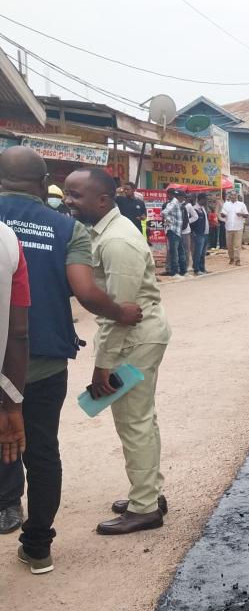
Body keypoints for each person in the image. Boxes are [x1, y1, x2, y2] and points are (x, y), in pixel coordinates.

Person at [0, 146, 143, 570]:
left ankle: (8, 505)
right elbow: (84, 291)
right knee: (42, 449)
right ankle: (39, 545)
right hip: (42, 359)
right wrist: (120, 312)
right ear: (46, 184)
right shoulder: (66, 228)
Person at [64, 168, 171, 536]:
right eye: (68, 193)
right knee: (142, 418)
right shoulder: (106, 233)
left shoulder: (116, 242)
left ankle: (144, 508)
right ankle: (148, 494)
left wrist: (102, 368)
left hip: (135, 339)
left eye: (76, 195)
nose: (68, 200)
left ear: (103, 201)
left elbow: (119, 314)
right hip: (138, 335)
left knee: (134, 422)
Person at [0, 220, 30, 531]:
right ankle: (7, 501)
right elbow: (18, 331)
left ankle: (8, 500)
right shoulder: (7, 239)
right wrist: (11, 405)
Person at [162, 189, 187, 278]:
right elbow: (164, 212)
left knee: (181, 252)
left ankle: (183, 272)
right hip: (173, 231)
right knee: (175, 253)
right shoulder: (174, 203)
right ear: (180, 197)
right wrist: (170, 221)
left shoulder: (178, 204)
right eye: (183, 197)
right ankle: (174, 273)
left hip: (177, 232)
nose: (184, 199)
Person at [220, 190, 247, 266]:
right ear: (229, 196)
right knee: (229, 245)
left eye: (235, 195)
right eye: (232, 195)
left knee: (237, 245)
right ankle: (231, 258)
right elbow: (223, 214)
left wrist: (241, 214)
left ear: (237, 196)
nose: (233, 196)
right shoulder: (226, 204)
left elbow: (246, 215)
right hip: (228, 227)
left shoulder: (241, 204)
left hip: (238, 227)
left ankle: (237, 260)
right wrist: (222, 215)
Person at [190, 193, 209, 275]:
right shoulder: (194, 209)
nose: (206, 201)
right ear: (200, 199)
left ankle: (202, 268)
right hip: (198, 234)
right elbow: (192, 222)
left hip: (205, 233)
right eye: (205, 199)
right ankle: (196, 269)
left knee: (203, 253)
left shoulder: (203, 208)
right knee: (198, 252)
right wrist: (193, 232)